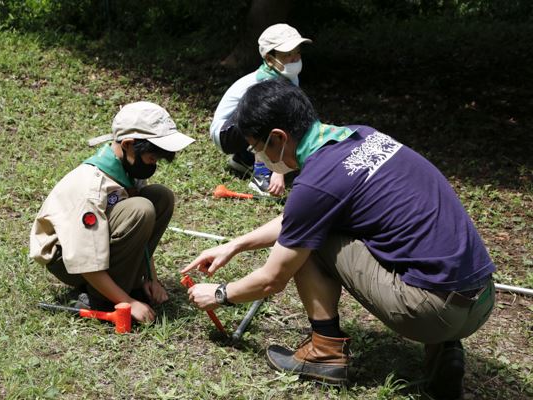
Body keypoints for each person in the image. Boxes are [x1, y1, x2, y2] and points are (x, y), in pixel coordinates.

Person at [182, 80, 495, 399]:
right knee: (351, 228)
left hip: (434, 312)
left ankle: (325, 350)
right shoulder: (361, 135)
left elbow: (272, 279)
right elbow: (302, 214)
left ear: (278, 138)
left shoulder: (318, 181)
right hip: (481, 300)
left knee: (317, 239)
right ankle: (446, 352)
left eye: (256, 148)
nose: (259, 158)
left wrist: (220, 294)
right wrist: (235, 245)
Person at [30, 102, 194, 323]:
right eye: (151, 158)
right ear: (128, 145)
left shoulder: (129, 167)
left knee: (160, 197)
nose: (153, 165)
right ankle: (99, 297)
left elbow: (138, 233)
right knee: (141, 209)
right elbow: (83, 258)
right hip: (69, 260)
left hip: (98, 245)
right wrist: (129, 302)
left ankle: (131, 282)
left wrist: (151, 278)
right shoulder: (91, 188)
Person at [210, 23, 311, 196]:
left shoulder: (288, 76)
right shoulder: (266, 83)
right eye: (287, 55)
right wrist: (279, 171)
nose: (295, 59)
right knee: (270, 118)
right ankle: (261, 177)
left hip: (238, 127)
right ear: (270, 59)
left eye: (297, 53)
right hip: (225, 133)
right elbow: (278, 123)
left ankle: (243, 158)